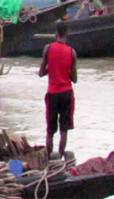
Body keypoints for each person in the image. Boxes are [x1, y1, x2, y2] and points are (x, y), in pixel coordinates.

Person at [38, 21, 77, 159]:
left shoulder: (48, 49)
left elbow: (41, 72)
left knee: (50, 130)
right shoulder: (72, 52)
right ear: (67, 34)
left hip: (53, 93)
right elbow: (75, 79)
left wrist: (51, 69)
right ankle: (60, 156)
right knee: (64, 130)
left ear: (56, 33)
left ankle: (49, 159)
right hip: (66, 93)